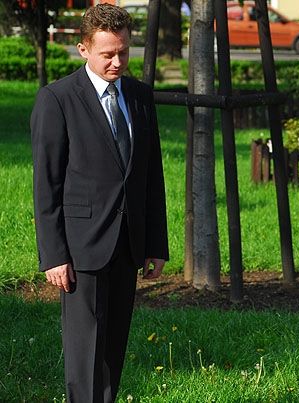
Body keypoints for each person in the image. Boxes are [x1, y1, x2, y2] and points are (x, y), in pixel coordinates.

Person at [31, 4, 169, 402]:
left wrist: (155, 243)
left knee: (113, 349)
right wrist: (54, 255)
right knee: (85, 353)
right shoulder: (57, 99)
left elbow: (151, 176)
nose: (117, 62)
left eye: (124, 52)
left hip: (128, 243)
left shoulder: (140, 96)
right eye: (108, 54)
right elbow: (46, 185)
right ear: (83, 49)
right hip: (81, 248)